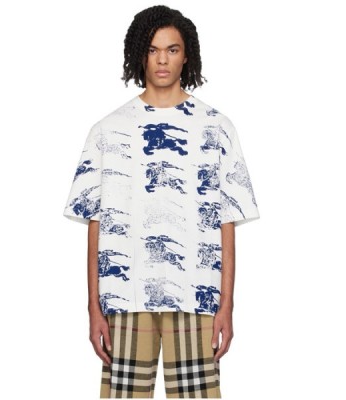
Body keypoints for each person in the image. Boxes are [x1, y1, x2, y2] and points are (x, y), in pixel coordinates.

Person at [63, 5, 260, 398]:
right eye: (153, 50)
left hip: (197, 297)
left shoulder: (216, 128)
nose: (162, 60)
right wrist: (93, 308)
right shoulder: (108, 130)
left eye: (172, 49)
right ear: (140, 54)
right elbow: (95, 223)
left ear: (187, 55)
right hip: (123, 298)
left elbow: (227, 221)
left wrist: (226, 306)